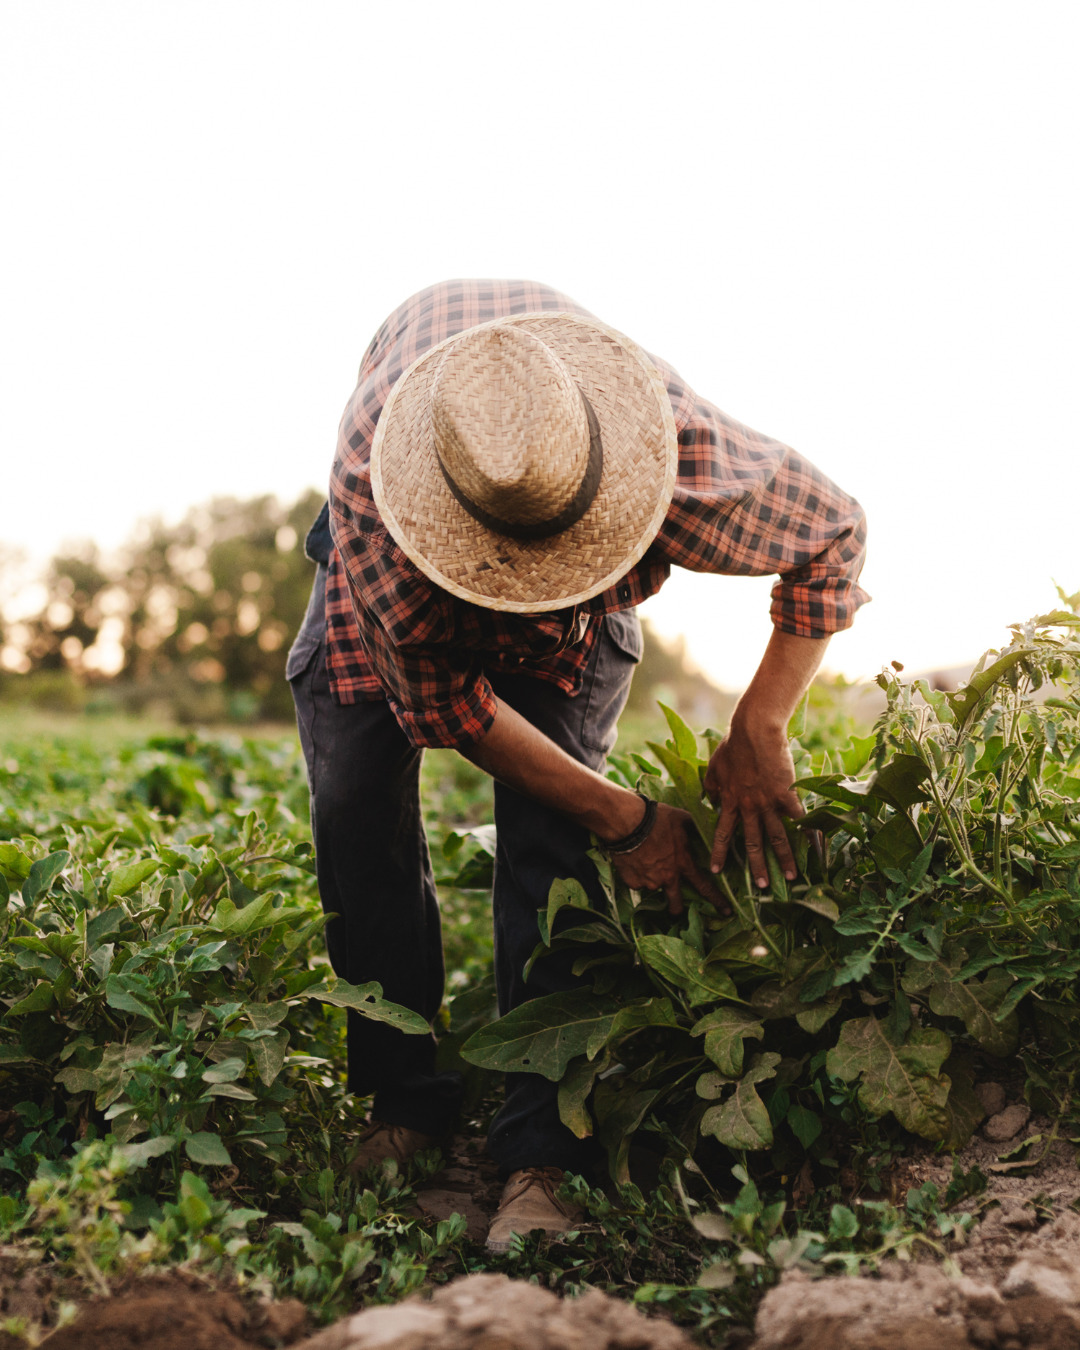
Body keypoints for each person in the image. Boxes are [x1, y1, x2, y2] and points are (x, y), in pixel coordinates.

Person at [287, 279, 868, 1251]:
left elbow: (833, 535)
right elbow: (453, 710)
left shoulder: (672, 450)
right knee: (354, 809)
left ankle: (540, 1152)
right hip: (398, 580)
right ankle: (406, 1097)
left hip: (579, 589)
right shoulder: (380, 509)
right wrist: (630, 819)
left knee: (551, 851)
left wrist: (762, 723)